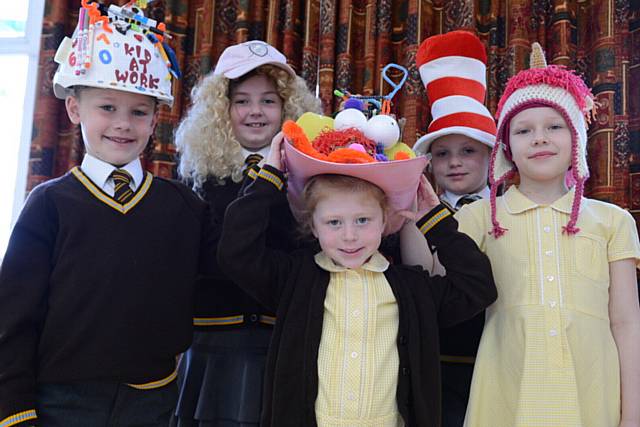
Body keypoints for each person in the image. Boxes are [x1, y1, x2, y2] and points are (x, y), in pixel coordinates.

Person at [0, 3, 216, 426]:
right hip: (58, 404)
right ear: (75, 110)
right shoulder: (48, 205)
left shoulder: (185, 207)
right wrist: (14, 411)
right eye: (107, 108)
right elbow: (13, 317)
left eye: (138, 112)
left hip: (153, 403)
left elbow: (226, 281)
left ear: (156, 120)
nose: (122, 124)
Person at [216, 120, 498, 426]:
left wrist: (435, 221)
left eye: (363, 220)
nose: (349, 236)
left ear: (385, 221)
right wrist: (269, 176)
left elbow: (477, 286)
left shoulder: (412, 289)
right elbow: (236, 252)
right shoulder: (295, 280)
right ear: (313, 226)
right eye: (334, 222)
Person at [458, 43, 640, 427]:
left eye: (554, 126)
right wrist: (408, 206)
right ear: (507, 146)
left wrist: (632, 416)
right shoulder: (479, 217)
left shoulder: (614, 221)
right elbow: (428, 273)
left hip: (593, 396)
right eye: (524, 130)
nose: (539, 138)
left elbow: (625, 323)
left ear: (576, 138)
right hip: (507, 393)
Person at [172, 40, 321, 426]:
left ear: (288, 109)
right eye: (242, 101)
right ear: (222, 110)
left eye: (269, 101)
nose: (256, 111)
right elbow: (208, 259)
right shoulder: (197, 179)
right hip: (213, 344)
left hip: (286, 341)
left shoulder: (312, 180)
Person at [412, 30, 496, 427]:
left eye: (468, 151)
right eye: (442, 153)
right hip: (434, 362)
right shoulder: (414, 218)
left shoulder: (507, 212)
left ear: (490, 155)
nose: (455, 163)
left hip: (494, 357)